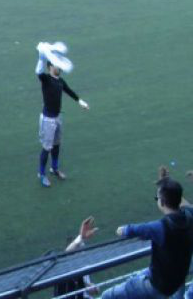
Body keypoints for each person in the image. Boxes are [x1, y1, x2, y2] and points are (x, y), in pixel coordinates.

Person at [102, 170, 193, 299]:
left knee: (107, 295)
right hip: (177, 282)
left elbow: (129, 230)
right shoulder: (189, 215)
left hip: (158, 286)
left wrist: (121, 230)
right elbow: (182, 203)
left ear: (161, 202)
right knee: (137, 276)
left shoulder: (160, 227)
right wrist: (167, 183)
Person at [35, 47, 89, 187]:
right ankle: (41, 174)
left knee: (57, 144)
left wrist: (80, 102)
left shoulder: (60, 81)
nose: (59, 67)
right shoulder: (46, 79)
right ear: (50, 66)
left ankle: (54, 168)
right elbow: (38, 71)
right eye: (56, 64)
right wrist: (41, 56)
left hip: (58, 117)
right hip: (48, 120)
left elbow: (69, 91)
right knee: (47, 147)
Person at [54, 217, 99, 298]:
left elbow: (91, 289)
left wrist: (93, 288)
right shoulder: (64, 266)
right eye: (79, 249)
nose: (82, 252)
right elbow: (66, 253)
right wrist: (81, 237)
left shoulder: (84, 265)